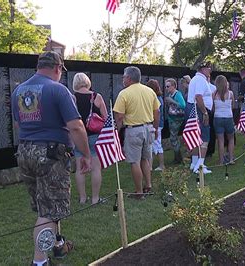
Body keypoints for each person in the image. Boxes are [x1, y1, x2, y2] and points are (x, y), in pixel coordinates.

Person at [12, 51, 91, 266]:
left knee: (43, 205)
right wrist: (85, 154)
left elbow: (18, 124)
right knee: (49, 211)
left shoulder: (18, 90)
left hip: (25, 151)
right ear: (58, 68)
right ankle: (39, 261)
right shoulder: (58, 90)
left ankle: (58, 244)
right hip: (50, 154)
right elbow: (76, 126)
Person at [113, 66, 160, 199]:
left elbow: (119, 116)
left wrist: (118, 130)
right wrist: (155, 129)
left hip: (134, 130)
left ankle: (139, 192)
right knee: (145, 158)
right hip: (149, 128)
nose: (123, 79)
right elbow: (157, 112)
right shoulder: (150, 91)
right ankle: (148, 185)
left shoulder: (124, 93)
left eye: (123, 77)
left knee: (134, 161)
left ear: (128, 78)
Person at [72, 72, 108, 205]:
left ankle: (82, 198)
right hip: (94, 136)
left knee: (79, 168)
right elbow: (105, 118)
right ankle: (95, 199)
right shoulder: (97, 97)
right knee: (95, 168)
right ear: (87, 82)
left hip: (78, 136)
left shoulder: (72, 98)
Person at [186, 62, 213, 174]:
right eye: (208, 68)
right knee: (204, 138)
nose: (210, 70)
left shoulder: (195, 79)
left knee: (197, 137)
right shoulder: (201, 80)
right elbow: (198, 96)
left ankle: (194, 163)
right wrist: (205, 113)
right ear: (203, 69)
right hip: (199, 110)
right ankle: (200, 165)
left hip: (194, 109)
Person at [212, 75, 235, 165]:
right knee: (231, 139)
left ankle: (221, 161)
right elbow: (232, 106)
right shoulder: (230, 93)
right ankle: (231, 159)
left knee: (220, 140)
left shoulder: (214, 94)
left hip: (217, 117)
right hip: (228, 117)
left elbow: (213, 107)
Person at [164, 78, 186, 163]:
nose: (166, 88)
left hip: (177, 119)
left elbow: (183, 105)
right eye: (166, 86)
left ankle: (178, 157)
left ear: (173, 86)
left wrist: (171, 101)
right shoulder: (170, 94)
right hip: (172, 118)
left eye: (168, 86)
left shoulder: (177, 94)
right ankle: (177, 157)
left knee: (173, 138)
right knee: (173, 138)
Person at [147, 79, 165, 171]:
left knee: (157, 144)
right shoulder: (158, 97)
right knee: (153, 144)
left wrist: (155, 127)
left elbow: (156, 113)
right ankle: (150, 166)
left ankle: (162, 165)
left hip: (156, 124)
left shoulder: (156, 99)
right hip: (157, 123)